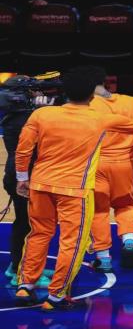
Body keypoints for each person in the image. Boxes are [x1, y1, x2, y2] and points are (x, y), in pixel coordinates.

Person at [14, 66, 133, 310]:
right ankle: (56, 296)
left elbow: (23, 149)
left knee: (39, 234)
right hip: (75, 190)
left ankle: (26, 285)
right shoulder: (100, 118)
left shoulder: (41, 115)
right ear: (91, 95)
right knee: (71, 242)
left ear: (65, 93)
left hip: (40, 185)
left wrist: (22, 178)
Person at [1, 72, 61, 288]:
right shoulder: (28, 118)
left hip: (19, 174)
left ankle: (16, 266)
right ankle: (22, 272)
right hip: (24, 177)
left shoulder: (14, 115)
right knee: (29, 225)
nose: (38, 93)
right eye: (33, 90)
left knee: (23, 222)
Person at [88, 66, 133, 271]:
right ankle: (129, 241)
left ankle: (103, 258)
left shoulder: (86, 105)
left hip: (96, 163)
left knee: (98, 210)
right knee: (127, 204)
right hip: (125, 163)